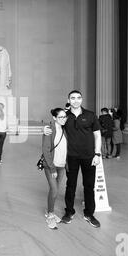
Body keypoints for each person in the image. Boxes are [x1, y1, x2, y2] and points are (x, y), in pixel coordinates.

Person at [43, 90, 102, 228]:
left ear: (82, 99)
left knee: (89, 186)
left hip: (89, 156)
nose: (76, 100)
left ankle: (89, 213)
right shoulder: (65, 116)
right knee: (71, 185)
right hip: (71, 158)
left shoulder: (90, 115)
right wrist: (44, 129)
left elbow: (98, 135)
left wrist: (97, 154)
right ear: (68, 100)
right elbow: (54, 124)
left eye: (78, 98)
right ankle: (69, 212)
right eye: (73, 98)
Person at [42, 108, 68, 230]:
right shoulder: (49, 129)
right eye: (60, 117)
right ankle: (50, 215)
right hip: (51, 166)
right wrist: (52, 168)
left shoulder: (64, 129)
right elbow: (46, 150)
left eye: (65, 117)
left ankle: (50, 211)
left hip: (61, 166)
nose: (63, 119)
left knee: (55, 191)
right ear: (54, 118)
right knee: (54, 190)